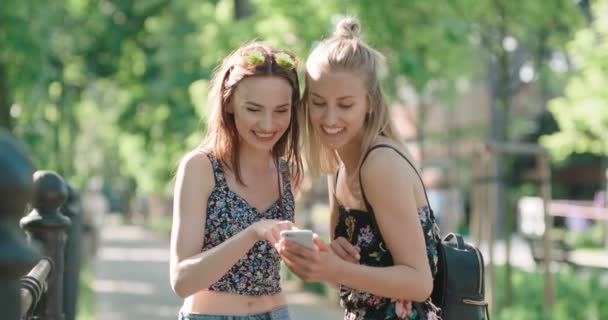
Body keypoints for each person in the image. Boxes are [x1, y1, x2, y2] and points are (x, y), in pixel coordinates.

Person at [276, 17, 441, 320]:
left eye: (345, 104)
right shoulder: (338, 165)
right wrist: (324, 260)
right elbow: (348, 278)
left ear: (369, 103)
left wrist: (338, 268)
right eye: (318, 102)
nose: (330, 117)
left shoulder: (380, 164)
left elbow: (419, 283)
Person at [170, 41, 303, 320]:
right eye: (254, 109)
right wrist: (253, 232)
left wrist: (328, 255)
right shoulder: (201, 167)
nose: (268, 125)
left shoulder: (286, 173)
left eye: (281, 111)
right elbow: (182, 281)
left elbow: (289, 267)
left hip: (277, 313)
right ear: (229, 103)